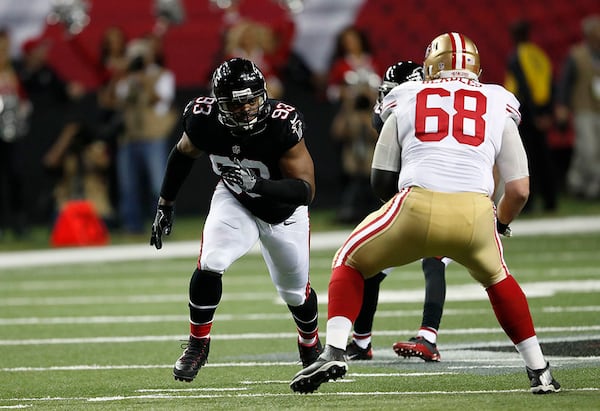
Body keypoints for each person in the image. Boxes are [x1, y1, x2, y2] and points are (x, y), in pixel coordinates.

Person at [290, 32, 561, 395]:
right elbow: (519, 190)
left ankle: (337, 349)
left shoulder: (406, 95)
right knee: (498, 279)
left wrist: (401, 220)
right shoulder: (498, 100)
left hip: (416, 204)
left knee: (349, 260)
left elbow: (381, 177)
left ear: (432, 63)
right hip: (476, 212)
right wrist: (499, 225)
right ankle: (539, 370)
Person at [149, 57, 322, 383]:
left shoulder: (281, 123)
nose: (245, 109)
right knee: (212, 261)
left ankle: (310, 343)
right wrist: (165, 204)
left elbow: (305, 190)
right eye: (235, 103)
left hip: (283, 211)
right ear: (219, 103)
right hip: (235, 201)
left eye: (251, 100)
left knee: (294, 293)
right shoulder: (203, 119)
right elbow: (183, 154)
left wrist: (258, 185)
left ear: (263, 94)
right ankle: (198, 344)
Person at [346, 61, 448, 362]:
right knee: (368, 269)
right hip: (411, 202)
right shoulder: (423, 108)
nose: (388, 100)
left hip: (447, 200)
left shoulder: (416, 110)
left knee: (435, 260)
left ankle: (428, 336)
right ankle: (361, 343)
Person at [114, 36, 177, 234]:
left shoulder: (162, 75)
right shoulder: (127, 78)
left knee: (158, 185)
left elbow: (161, 101)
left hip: (153, 136)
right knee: (128, 185)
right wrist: (125, 75)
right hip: (130, 136)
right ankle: (131, 225)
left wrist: (144, 82)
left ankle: (163, 223)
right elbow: (116, 99)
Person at [504, 19, 558, 213]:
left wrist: (534, 115)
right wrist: (548, 113)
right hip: (542, 111)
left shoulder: (517, 56)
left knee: (527, 159)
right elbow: (551, 83)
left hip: (526, 113)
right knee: (545, 158)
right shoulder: (539, 55)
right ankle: (551, 201)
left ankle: (529, 203)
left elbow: (523, 87)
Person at [555, 14, 600, 200]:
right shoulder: (577, 55)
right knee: (588, 149)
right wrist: (562, 107)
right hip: (583, 109)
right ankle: (585, 186)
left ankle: (581, 184)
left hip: (598, 108)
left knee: (592, 151)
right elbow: (565, 83)